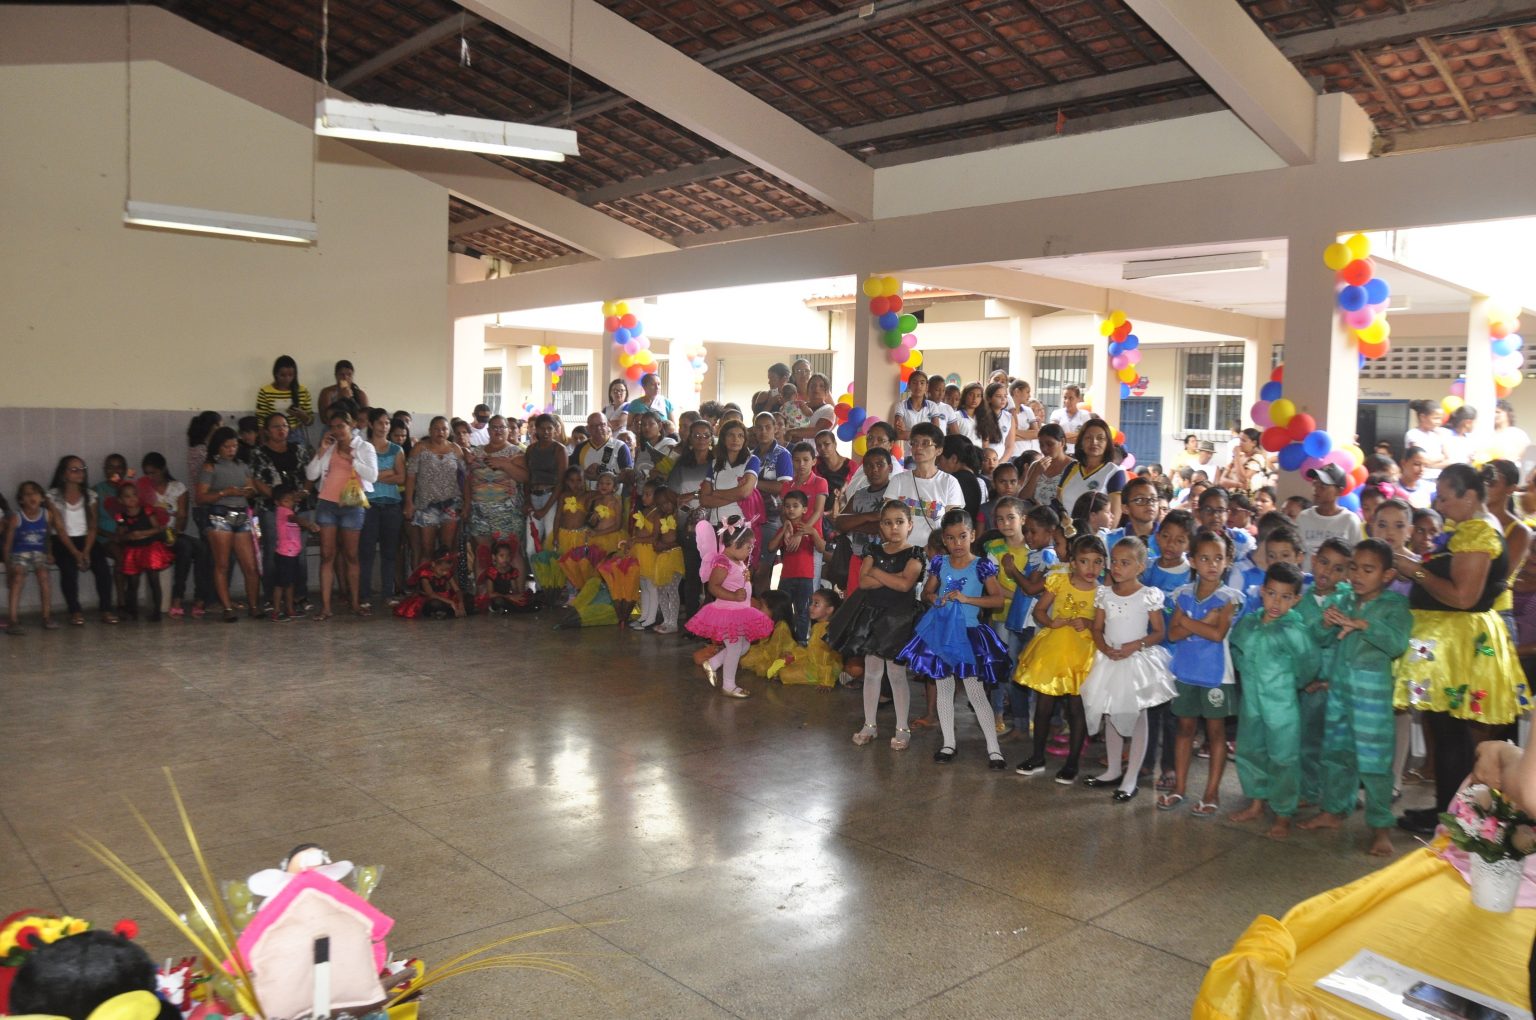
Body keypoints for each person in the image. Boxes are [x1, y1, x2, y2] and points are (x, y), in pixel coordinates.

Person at [1393, 462, 1523, 834]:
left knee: (1450, 732)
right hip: (1452, 641)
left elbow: (1464, 596)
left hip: (1458, 645)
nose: (1440, 505)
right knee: (1446, 730)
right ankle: (1447, 811)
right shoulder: (1470, 528)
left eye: (1445, 498)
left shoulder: (1478, 531)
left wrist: (1415, 570)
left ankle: (1453, 818)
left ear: (1469, 496)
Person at [1300, 538, 1413, 856]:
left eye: (1368, 569)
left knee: (1375, 763)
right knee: (1335, 754)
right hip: (1339, 692)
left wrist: (1364, 624)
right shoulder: (1344, 599)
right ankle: (1333, 810)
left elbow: (1397, 643)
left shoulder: (1394, 606)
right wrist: (1325, 624)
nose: (1358, 575)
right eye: (1354, 568)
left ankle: (1380, 826)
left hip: (1372, 699)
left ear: (1387, 575)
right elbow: (1320, 638)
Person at [897, 509, 1010, 769]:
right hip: (941, 632)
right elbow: (926, 592)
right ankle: (948, 743)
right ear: (944, 540)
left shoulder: (981, 565)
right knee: (944, 688)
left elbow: (997, 599)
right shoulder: (940, 563)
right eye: (950, 538)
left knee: (975, 691)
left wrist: (967, 599)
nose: (957, 543)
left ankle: (994, 749)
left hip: (968, 634)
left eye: (962, 536)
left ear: (973, 535)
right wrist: (934, 598)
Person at [1227, 561, 1321, 839]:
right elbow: (1236, 648)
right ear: (1262, 592)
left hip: (1282, 706)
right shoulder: (1249, 623)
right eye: (1271, 593)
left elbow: (1309, 663)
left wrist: (1295, 684)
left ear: (1296, 599)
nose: (1276, 602)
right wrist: (1244, 669)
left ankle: (1283, 813)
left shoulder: (1294, 631)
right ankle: (1256, 803)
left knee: (1283, 757)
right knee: (1250, 751)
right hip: (1251, 702)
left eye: (1285, 596)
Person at [1079, 535, 1175, 801]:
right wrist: (1104, 647)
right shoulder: (1104, 593)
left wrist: (1135, 645)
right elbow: (1097, 628)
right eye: (1115, 561)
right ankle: (1112, 769)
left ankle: (1131, 778)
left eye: (1125, 562)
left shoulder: (1148, 595)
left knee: (1138, 716)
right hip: (1110, 660)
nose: (1117, 567)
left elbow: (1159, 632)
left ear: (1140, 567)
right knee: (1111, 714)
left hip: (1136, 662)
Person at [1159, 529, 1243, 815]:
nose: (1212, 564)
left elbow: (1217, 635)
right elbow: (1172, 633)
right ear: (1193, 561)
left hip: (1216, 675)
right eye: (1204, 558)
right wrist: (1204, 621)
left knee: (1215, 732)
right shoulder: (1182, 594)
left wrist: (1189, 623)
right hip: (1185, 671)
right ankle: (1179, 787)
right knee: (1185, 728)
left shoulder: (1229, 598)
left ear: (1227, 561)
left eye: (1218, 558)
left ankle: (1211, 792)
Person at [831, 500, 925, 750]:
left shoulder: (915, 553)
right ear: (880, 526)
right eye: (887, 522)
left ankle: (902, 728)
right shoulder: (873, 550)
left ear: (910, 525)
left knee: (896, 674)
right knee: (872, 672)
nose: (893, 527)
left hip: (898, 620)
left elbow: (905, 585)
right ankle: (869, 725)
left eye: (899, 522)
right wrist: (893, 577)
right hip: (872, 618)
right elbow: (864, 582)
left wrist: (878, 574)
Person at [1014, 533, 1104, 781]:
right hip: (1054, 649)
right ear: (1073, 562)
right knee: (1044, 705)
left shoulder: (1102, 592)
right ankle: (1037, 756)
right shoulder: (1059, 581)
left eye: (1097, 561)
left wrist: (1088, 622)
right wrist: (1051, 622)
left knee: (1076, 708)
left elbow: (1104, 625)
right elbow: (1040, 611)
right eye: (1084, 561)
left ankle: (1072, 762)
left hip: (1083, 655)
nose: (1091, 568)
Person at [305, 408, 379, 620]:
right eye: (333, 427)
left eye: (341, 426)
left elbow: (372, 476)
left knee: (351, 556)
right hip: (327, 504)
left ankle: (355, 603)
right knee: (327, 556)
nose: (337, 431)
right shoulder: (329, 447)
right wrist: (321, 450)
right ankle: (326, 607)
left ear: (352, 425)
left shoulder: (364, 447)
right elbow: (311, 474)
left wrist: (352, 458)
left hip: (352, 506)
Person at [688, 517, 774, 698]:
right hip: (727, 613)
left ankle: (712, 664)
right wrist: (734, 596)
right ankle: (728, 685)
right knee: (735, 648)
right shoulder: (723, 562)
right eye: (748, 547)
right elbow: (713, 587)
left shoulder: (738, 562)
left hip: (740, 612)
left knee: (744, 646)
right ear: (735, 544)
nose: (750, 551)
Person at [249, 412, 312, 610]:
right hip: (272, 508)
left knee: (299, 552)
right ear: (267, 431)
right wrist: (280, 501)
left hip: (299, 507)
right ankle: (272, 597)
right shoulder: (258, 453)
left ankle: (299, 595)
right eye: (276, 426)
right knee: (273, 551)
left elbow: (310, 474)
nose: (281, 430)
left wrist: (304, 492)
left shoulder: (299, 449)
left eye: (284, 425)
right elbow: (256, 480)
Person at [194, 428, 259, 622]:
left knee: (250, 565)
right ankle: (227, 607)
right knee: (222, 564)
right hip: (220, 514)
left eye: (234, 446)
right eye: (227, 446)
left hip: (241, 514)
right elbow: (200, 497)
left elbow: (251, 488)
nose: (231, 450)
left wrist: (248, 492)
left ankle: (254, 605)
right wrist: (224, 493)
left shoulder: (242, 465)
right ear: (218, 446)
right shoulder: (210, 467)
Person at [47, 455, 116, 626]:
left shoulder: (90, 495)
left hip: (86, 540)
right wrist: (75, 553)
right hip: (63, 540)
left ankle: (106, 609)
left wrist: (85, 551)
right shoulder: (53, 496)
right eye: (74, 469)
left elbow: (93, 526)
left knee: (102, 568)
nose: (80, 473)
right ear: (64, 473)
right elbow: (59, 528)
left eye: (82, 469)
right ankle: (75, 611)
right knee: (69, 569)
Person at [463, 415, 529, 587]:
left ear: (508, 430)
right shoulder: (477, 452)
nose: (498, 430)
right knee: (482, 553)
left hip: (507, 512)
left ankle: (519, 592)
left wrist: (505, 465)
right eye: (494, 427)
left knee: (512, 552)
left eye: (502, 427)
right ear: (488, 430)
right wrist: (467, 505)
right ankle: (483, 594)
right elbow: (468, 480)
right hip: (479, 512)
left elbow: (525, 477)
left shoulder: (516, 452)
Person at [136, 453, 203, 617]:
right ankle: (177, 598)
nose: (151, 477)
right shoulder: (144, 489)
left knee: (201, 547)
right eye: (147, 473)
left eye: (154, 473)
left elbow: (182, 518)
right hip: (154, 532)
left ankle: (200, 598)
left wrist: (176, 531)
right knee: (185, 548)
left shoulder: (177, 487)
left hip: (174, 531)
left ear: (163, 469)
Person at [883, 422, 962, 553]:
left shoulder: (949, 482)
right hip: (901, 553)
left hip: (934, 554)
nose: (918, 447)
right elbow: (886, 519)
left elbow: (953, 524)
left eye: (925, 443)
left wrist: (933, 548)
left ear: (939, 450)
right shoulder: (898, 480)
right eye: (914, 443)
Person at [358, 408, 405, 608]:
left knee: (389, 552)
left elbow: (401, 477)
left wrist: (376, 475)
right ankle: (364, 595)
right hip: (368, 505)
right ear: (371, 424)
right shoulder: (362, 448)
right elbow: (361, 476)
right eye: (380, 423)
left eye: (387, 423)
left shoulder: (396, 449)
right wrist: (387, 473)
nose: (384, 427)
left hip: (392, 505)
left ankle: (388, 593)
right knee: (366, 551)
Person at [405, 416, 466, 565]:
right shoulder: (419, 448)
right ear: (430, 431)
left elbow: (465, 477)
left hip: (451, 504)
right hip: (426, 504)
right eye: (436, 429)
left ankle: (447, 580)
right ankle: (424, 580)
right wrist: (409, 502)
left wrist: (466, 502)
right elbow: (411, 477)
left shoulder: (455, 449)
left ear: (449, 431)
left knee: (448, 550)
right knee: (427, 549)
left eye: (444, 429)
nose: (440, 432)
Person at [6, 481, 61, 633]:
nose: (32, 497)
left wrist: (49, 553)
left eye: (35, 493)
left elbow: (48, 537)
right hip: (19, 552)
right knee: (18, 577)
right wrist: (9, 567)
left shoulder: (47, 515)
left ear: (42, 498)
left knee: (44, 575)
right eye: (27, 494)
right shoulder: (17, 517)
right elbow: (8, 545)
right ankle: (13, 619)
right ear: (21, 499)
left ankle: (46, 616)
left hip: (38, 551)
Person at [110, 482, 170, 621]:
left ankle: (157, 611)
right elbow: (120, 536)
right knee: (132, 582)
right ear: (120, 500)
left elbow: (158, 528)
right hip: (133, 550)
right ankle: (132, 610)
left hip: (150, 548)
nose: (132, 498)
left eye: (134, 495)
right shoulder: (121, 516)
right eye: (127, 496)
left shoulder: (146, 510)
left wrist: (141, 534)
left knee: (153, 580)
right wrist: (128, 536)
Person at [769, 490, 823, 643]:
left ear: (804, 509)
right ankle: (782, 640)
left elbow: (821, 548)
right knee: (781, 611)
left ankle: (801, 642)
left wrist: (813, 533)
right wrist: (784, 529)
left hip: (805, 577)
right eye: (787, 506)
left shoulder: (808, 528)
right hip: (786, 576)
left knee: (803, 611)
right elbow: (771, 547)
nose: (791, 509)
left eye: (795, 506)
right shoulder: (785, 528)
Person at [749, 412, 794, 591]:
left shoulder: (782, 454)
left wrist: (753, 483)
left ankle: (762, 606)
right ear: (754, 430)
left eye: (767, 427)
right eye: (759, 427)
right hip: (750, 517)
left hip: (772, 517)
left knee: (761, 570)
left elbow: (785, 488)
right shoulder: (750, 455)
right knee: (749, 569)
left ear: (775, 428)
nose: (763, 431)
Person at [1058, 418, 1126, 521]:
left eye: (1100, 438)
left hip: (1095, 531)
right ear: (1081, 442)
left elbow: (1114, 517)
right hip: (1065, 529)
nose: (1094, 442)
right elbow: (1058, 501)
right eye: (1088, 438)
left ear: (1107, 443)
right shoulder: (1071, 467)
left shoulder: (1115, 473)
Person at [268, 482, 318, 622]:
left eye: (291, 500)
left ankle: (290, 609)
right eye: (286, 501)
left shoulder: (288, 511)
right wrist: (308, 524)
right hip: (285, 554)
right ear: (277, 502)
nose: (290, 503)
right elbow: (294, 518)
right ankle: (276, 611)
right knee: (280, 584)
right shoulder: (283, 511)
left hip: (292, 554)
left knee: (289, 583)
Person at [1292, 464, 1363, 557]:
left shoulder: (1350, 520)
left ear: (1339, 491)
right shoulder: (1304, 517)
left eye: (1323, 485)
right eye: (1315, 483)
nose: (1316, 488)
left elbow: (1356, 555)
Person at [394, 549, 465, 618]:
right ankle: (447, 611)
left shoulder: (447, 573)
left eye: (447, 570)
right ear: (433, 564)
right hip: (428, 599)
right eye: (442, 570)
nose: (445, 573)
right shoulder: (425, 574)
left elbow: (457, 590)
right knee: (435, 604)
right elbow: (431, 594)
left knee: (466, 598)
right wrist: (450, 602)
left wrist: (460, 602)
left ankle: (449, 611)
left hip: (444, 597)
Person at [255, 355, 313, 436]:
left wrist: (302, 415)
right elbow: (261, 420)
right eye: (283, 375)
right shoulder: (265, 391)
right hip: (273, 434)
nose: (287, 379)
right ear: (276, 374)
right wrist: (263, 438)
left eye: (291, 375)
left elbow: (310, 422)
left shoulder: (302, 391)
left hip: (295, 433)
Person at [576, 412, 634, 491]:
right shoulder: (580, 448)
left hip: (614, 497)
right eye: (594, 426)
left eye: (602, 424)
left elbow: (628, 478)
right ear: (588, 429)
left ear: (608, 425)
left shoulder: (620, 447)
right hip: (587, 496)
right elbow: (573, 473)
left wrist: (601, 475)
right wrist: (585, 473)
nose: (598, 428)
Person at [1020, 422, 1072, 509]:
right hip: (1037, 515)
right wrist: (1036, 474)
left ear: (1062, 442)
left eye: (1050, 444)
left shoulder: (1074, 467)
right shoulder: (1036, 466)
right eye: (1041, 445)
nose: (1044, 449)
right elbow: (1022, 498)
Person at [889, 371, 947, 441]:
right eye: (914, 383)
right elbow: (899, 435)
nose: (918, 386)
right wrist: (927, 433)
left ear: (927, 387)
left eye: (922, 383)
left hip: (927, 447)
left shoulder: (932, 406)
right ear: (909, 386)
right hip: (909, 448)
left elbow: (935, 433)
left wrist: (907, 433)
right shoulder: (901, 406)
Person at [1404, 399, 1451, 479]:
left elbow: (1448, 460)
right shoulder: (1413, 434)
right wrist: (1441, 457)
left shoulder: (1439, 434)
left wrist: (1431, 464)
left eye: (1440, 418)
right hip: (1422, 479)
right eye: (1436, 418)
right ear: (1423, 417)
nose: (1439, 422)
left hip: (1439, 479)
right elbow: (1422, 461)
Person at [783, 373, 836, 443]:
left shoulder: (829, 410)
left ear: (827, 392)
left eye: (821, 386)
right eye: (813, 385)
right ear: (808, 390)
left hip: (813, 449)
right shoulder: (798, 406)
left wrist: (792, 431)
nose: (816, 388)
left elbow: (818, 431)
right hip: (791, 447)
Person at [316, 360, 369, 424]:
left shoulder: (360, 394)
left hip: (356, 427)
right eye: (341, 374)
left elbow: (366, 418)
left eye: (349, 374)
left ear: (352, 376)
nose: (345, 377)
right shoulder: (327, 392)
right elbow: (324, 419)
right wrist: (341, 398)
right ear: (336, 376)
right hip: (333, 427)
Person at [1048, 385, 1093, 451]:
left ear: (1078, 398)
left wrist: (1063, 437)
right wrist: (1077, 436)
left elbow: (1088, 436)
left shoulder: (1085, 415)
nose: (1067, 401)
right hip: (1060, 452)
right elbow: (1053, 434)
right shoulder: (1056, 413)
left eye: (1071, 398)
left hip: (1079, 452)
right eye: (1065, 398)